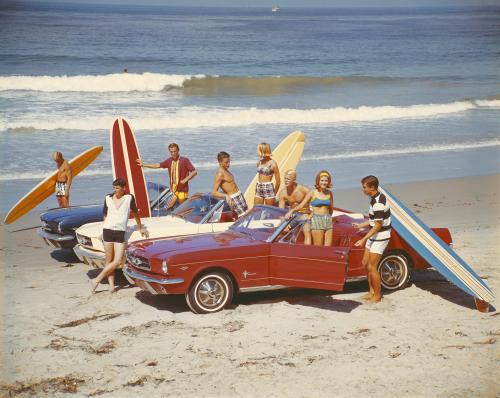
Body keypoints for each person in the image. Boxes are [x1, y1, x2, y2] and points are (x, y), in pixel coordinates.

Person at [90, 178, 148, 294]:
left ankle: (96, 279)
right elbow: (105, 214)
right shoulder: (108, 198)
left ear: (123, 188)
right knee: (109, 259)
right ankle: (111, 286)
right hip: (108, 231)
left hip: (120, 232)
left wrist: (140, 227)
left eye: (117, 188)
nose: (115, 190)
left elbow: (135, 212)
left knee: (118, 261)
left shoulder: (129, 198)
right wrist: (104, 227)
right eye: (114, 188)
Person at [353, 175, 392, 303]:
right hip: (374, 235)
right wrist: (359, 225)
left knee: (372, 266)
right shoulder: (374, 198)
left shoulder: (378, 203)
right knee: (366, 264)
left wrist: (364, 239)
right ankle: (371, 292)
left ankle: (377, 295)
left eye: (364, 187)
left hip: (380, 237)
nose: (362, 189)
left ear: (372, 187)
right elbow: (372, 221)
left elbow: (378, 226)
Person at [137, 143, 197, 209]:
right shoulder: (169, 161)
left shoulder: (185, 160)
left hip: (182, 189)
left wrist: (185, 180)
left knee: (183, 208)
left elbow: (194, 172)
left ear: (178, 150)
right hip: (174, 188)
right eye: (171, 152)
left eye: (175, 151)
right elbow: (158, 165)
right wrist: (144, 165)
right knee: (170, 206)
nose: (173, 153)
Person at [286, 170, 334, 246]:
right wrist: (291, 211)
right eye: (322, 180)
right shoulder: (312, 192)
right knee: (318, 249)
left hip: (328, 221)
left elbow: (331, 209)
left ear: (328, 182)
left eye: (326, 181)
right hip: (317, 220)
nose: (324, 182)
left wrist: (329, 217)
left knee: (328, 249)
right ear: (318, 181)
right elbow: (301, 205)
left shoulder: (329, 193)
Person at [211, 151, 248, 218]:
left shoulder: (226, 170)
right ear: (220, 162)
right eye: (226, 162)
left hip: (239, 196)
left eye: (229, 162)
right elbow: (214, 192)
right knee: (242, 219)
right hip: (233, 199)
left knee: (246, 217)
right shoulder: (220, 174)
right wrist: (226, 196)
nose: (228, 164)